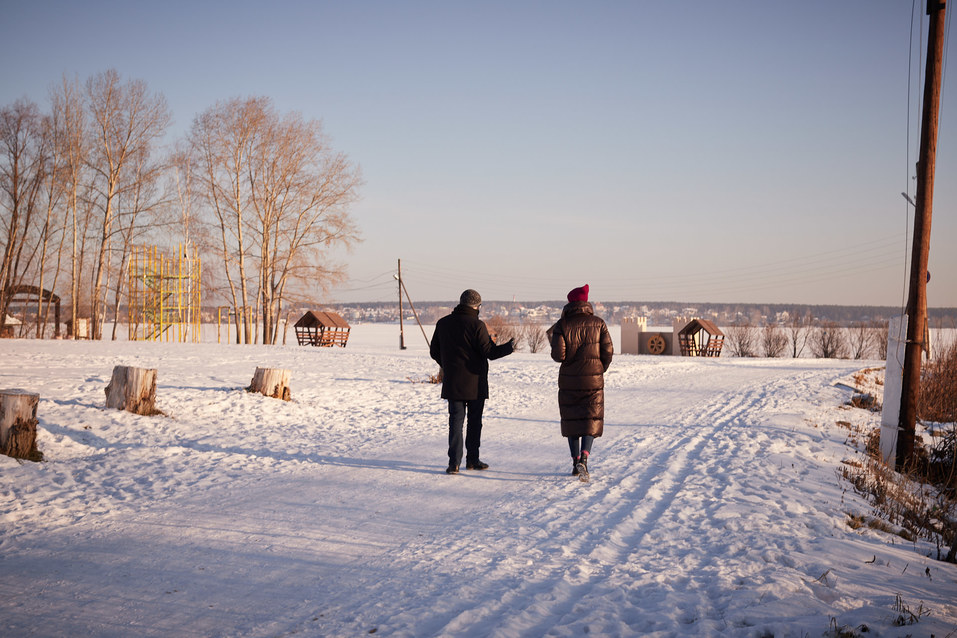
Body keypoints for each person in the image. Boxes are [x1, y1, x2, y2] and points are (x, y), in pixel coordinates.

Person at [430, 289, 514, 475]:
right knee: (474, 422)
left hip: (453, 383)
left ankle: (454, 464)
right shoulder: (477, 325)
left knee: (455, 422)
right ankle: (472, 460)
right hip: (475, 383)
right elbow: (489, 353)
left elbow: (434, 351)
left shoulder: (443, 323)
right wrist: (509, 347)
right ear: (477, 306)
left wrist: (447, 365)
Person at [549, 284, 613, 481]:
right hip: (593, 379)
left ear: (570, 303)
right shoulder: (599, 323)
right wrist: (599, 368)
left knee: (572, 419)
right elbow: (608, 352)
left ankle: (575, 461)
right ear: (586, 302)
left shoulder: (562, 325)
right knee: (590, 418)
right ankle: (584, 459)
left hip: (569, 379)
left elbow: (559, 356)